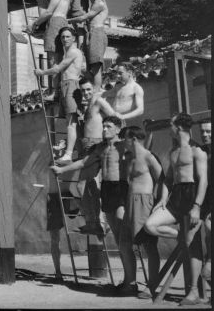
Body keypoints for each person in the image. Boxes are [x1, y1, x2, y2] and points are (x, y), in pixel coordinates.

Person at [52, 116, 132, 292]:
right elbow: (83, 163)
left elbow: (143, 152)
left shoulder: (124, 145)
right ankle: (128, 280)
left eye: (108, 126)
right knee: (119, 239)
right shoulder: (101, 148)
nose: (104, 129)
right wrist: (62, 169)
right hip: (107, 189)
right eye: (103, 126)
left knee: (125, 238)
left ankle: (130, 281)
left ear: (118, 129)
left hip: (121, 188)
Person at [143, 113, 208, 306]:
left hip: (192, 195)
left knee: (192, 245)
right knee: (150, 224)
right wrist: (163, 198)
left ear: (178, 127)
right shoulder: (173, 151)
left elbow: (203, 180)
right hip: (176, 197)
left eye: (171, 125)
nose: (169, 129)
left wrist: (197, 207)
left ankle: (194, 292)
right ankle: (181, 236)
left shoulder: (197, 151)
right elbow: (168, 179)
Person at [119, 126, 163, 298]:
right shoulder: (129, 157)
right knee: (124, 244)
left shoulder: (148, 157)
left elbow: (163, 179)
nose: (123, 142)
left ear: (134, 139)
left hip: (144, 202)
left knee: (149, 246)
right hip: (130, 202)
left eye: (126, 139)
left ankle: (152, 286)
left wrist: (161, 202)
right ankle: (130, 283)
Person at [73, 77, 119, 231]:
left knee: (85, 186)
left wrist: (111, 140)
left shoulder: (99, 101)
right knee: (85, 188)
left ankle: (98, 222)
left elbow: (115, 119)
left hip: (95, 144)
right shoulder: (87, 106)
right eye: (83, 90)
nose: (85, 93)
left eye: (88, 89)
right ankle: (95, 222)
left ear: (93, 88)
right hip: (87, 146)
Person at [35, 27, 82, 164]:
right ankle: (70, 148)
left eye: (68, 36)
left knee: (71, 123)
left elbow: (58, 69)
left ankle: (68, 153)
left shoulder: (73, 51)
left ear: (73, 38)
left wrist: (41, 73)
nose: (65, 39)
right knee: (71, 122)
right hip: (65, 85)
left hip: (71, 85)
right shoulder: (69, 53)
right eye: (63, 37)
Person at [27, 0, 70, 100]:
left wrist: (34, 24)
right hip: (59, 22)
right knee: (55, 57)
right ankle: (55, 91)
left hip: (55, 22)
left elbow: (48, 12)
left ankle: (55, 92)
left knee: (53, 58)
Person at [69, 0, 108, 91]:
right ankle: (95, 88)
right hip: (90, 34)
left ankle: (97, 90)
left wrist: (67, 20)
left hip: (97, 33)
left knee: (95, 67)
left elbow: (83, 17)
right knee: (87, 68)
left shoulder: (99, 3)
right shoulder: (93, 4)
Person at [199, 120, 212, 291]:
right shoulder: (203, 151)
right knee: (208, 234)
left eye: (209, 132)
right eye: (203, 132)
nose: (205, 135)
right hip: (208, 200)